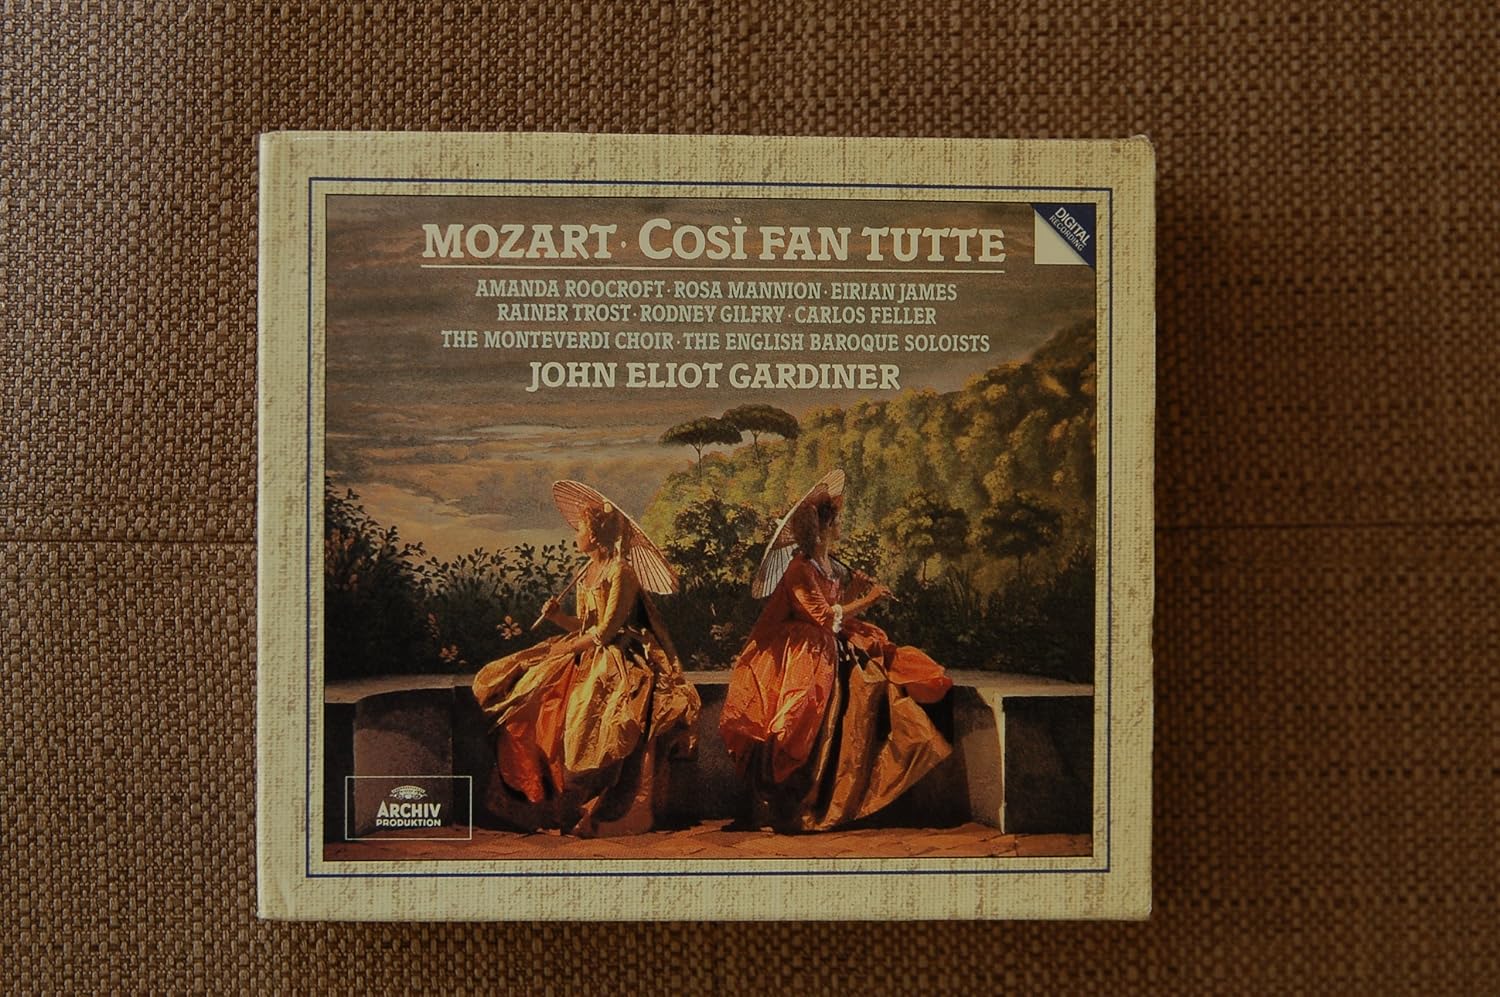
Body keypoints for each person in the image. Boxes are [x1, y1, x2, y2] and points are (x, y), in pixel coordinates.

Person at [720, 473, 954, 831]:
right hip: (805, 652)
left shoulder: (826, 564)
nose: (840, 526)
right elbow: (824, 617)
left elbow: (835, 608)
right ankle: (800, 798)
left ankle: (847, 786)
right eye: (836, 521)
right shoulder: (798, 569)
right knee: (803, 712)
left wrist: (854, 591)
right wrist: (868, 599)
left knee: (879, 679)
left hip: (829, 643)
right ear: (822, 529)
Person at [470, 484, 699, 837]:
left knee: (587, 715)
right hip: (584, 647)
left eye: (579, 529)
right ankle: (538, 802)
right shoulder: (586, 572)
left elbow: (606, 631)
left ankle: (588, 805)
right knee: (528, 697)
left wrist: (568, 649)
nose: (575, 535)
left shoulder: (620, 572)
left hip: (615, 657)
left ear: (594, 535)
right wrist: (557, 617)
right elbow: (583, 624)